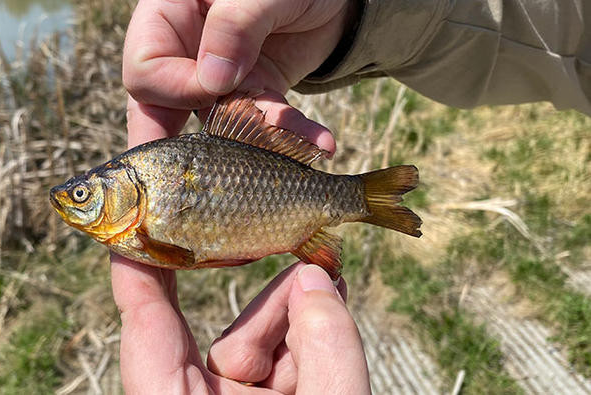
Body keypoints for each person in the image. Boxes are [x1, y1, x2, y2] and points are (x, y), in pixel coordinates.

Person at [116, 0, 590, 392]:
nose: (77, 204)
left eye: (82, 197)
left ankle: (362, 196)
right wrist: (351, 15)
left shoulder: (143, 210)